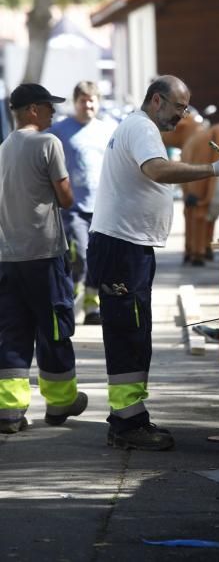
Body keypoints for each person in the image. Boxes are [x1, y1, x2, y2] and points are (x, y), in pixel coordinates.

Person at [87, 75, 219, 452]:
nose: (182, 115)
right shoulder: (141, 128)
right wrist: (213, 169)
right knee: (128, 331)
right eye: (178, 107)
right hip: (122, 247)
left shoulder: (138, 127)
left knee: (134, 330)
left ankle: (130, 416)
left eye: (186, 108)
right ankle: (127, 425)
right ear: (157, 101)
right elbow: (157, 170)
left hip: (128, 246)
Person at [0, 83, 88, 434]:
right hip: (44, 253)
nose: (54, 112)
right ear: (32, 109)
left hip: (7, 258)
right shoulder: (48, 143)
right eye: (49, 106)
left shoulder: (3, 149)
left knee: (11, 333)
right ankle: (60, 401)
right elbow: (66, 199)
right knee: (54, 328)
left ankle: (9, 411)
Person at [50, 81, 117, 324]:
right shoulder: (58, 131)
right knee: (81, 255)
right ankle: (75, 288)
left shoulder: (109, 130)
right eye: (82, 100)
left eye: (92, 100)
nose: (87, 105)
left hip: (102, 207)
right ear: (75, 102)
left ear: (98, 102)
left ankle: (91, 305)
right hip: (72, 208)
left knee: (98, 257)